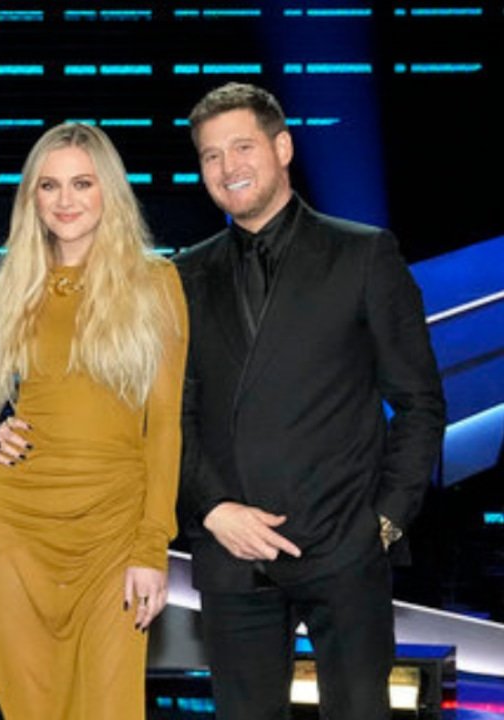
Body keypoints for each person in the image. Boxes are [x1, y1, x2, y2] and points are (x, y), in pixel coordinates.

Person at [174, 82, 446, 719]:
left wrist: (382, 524)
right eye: (211, 155)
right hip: (231, 554)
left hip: (344, 551)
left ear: (283, 148)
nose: (228, 167)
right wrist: (212, 509)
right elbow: (170, 415)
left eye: (242, 147)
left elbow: (419, 403)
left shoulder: (363, 254)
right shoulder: (182, 275)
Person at [0, 122, 187, 718]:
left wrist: (152, 546)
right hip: (17, 529)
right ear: (31, 198)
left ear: (109, 190)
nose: (65, 200)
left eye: (82, 183)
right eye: (49, 185)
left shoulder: (156, 283)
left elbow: (165, 426)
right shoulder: (16, 285)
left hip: (114, 531)